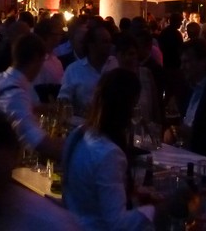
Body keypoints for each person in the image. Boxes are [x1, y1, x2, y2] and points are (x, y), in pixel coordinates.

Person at [62, 68, 155, 230]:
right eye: (134, 106)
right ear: (126, 108)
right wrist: (154, 211)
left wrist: (129, 193)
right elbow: (118, 224)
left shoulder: (77, 135)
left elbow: (89, 193)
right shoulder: (110, 154)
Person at [0, 33, 63, 161]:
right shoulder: (16, 94)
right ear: (36, 58)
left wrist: (39, 108)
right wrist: (77, 149)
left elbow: (5, 110)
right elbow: (40, 143)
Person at [58, 19, 117, 116]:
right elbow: (63, 99)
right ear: (92, 45)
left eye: (110, 41)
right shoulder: (74, 70)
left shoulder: (115, 64)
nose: (109, 45)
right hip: (82, 121)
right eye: (105, 42)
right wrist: (77, 110)